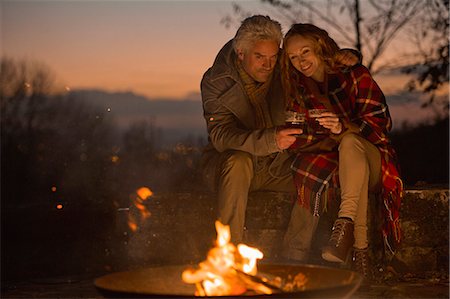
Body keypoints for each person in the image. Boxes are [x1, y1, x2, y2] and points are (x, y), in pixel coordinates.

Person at [200, 15, 359, 256]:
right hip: (236, 170)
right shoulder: (215, 80)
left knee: (318, 167)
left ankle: (295, 255)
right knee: (238, 161)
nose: (269, 64)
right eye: (260, 57)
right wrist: (271, 140)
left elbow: (312, 60)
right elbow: (220, 135)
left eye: (274, 56)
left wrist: (343, 56)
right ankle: (229, 256)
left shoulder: (285, 67)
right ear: (241, 53)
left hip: (278, 166)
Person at [280, 23, 403, 280]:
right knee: (334, 165)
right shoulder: (298, 89)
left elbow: (380, 123)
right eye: (293, 57)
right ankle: (360, 255)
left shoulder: (354, 74)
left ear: (320, 47)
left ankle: (344, 221)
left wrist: (342, 128)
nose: (301, 61)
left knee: (350, 145)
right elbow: (299, 138)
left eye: (306, 52)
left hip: (374, 159)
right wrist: (331, 134)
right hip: (340, 164)